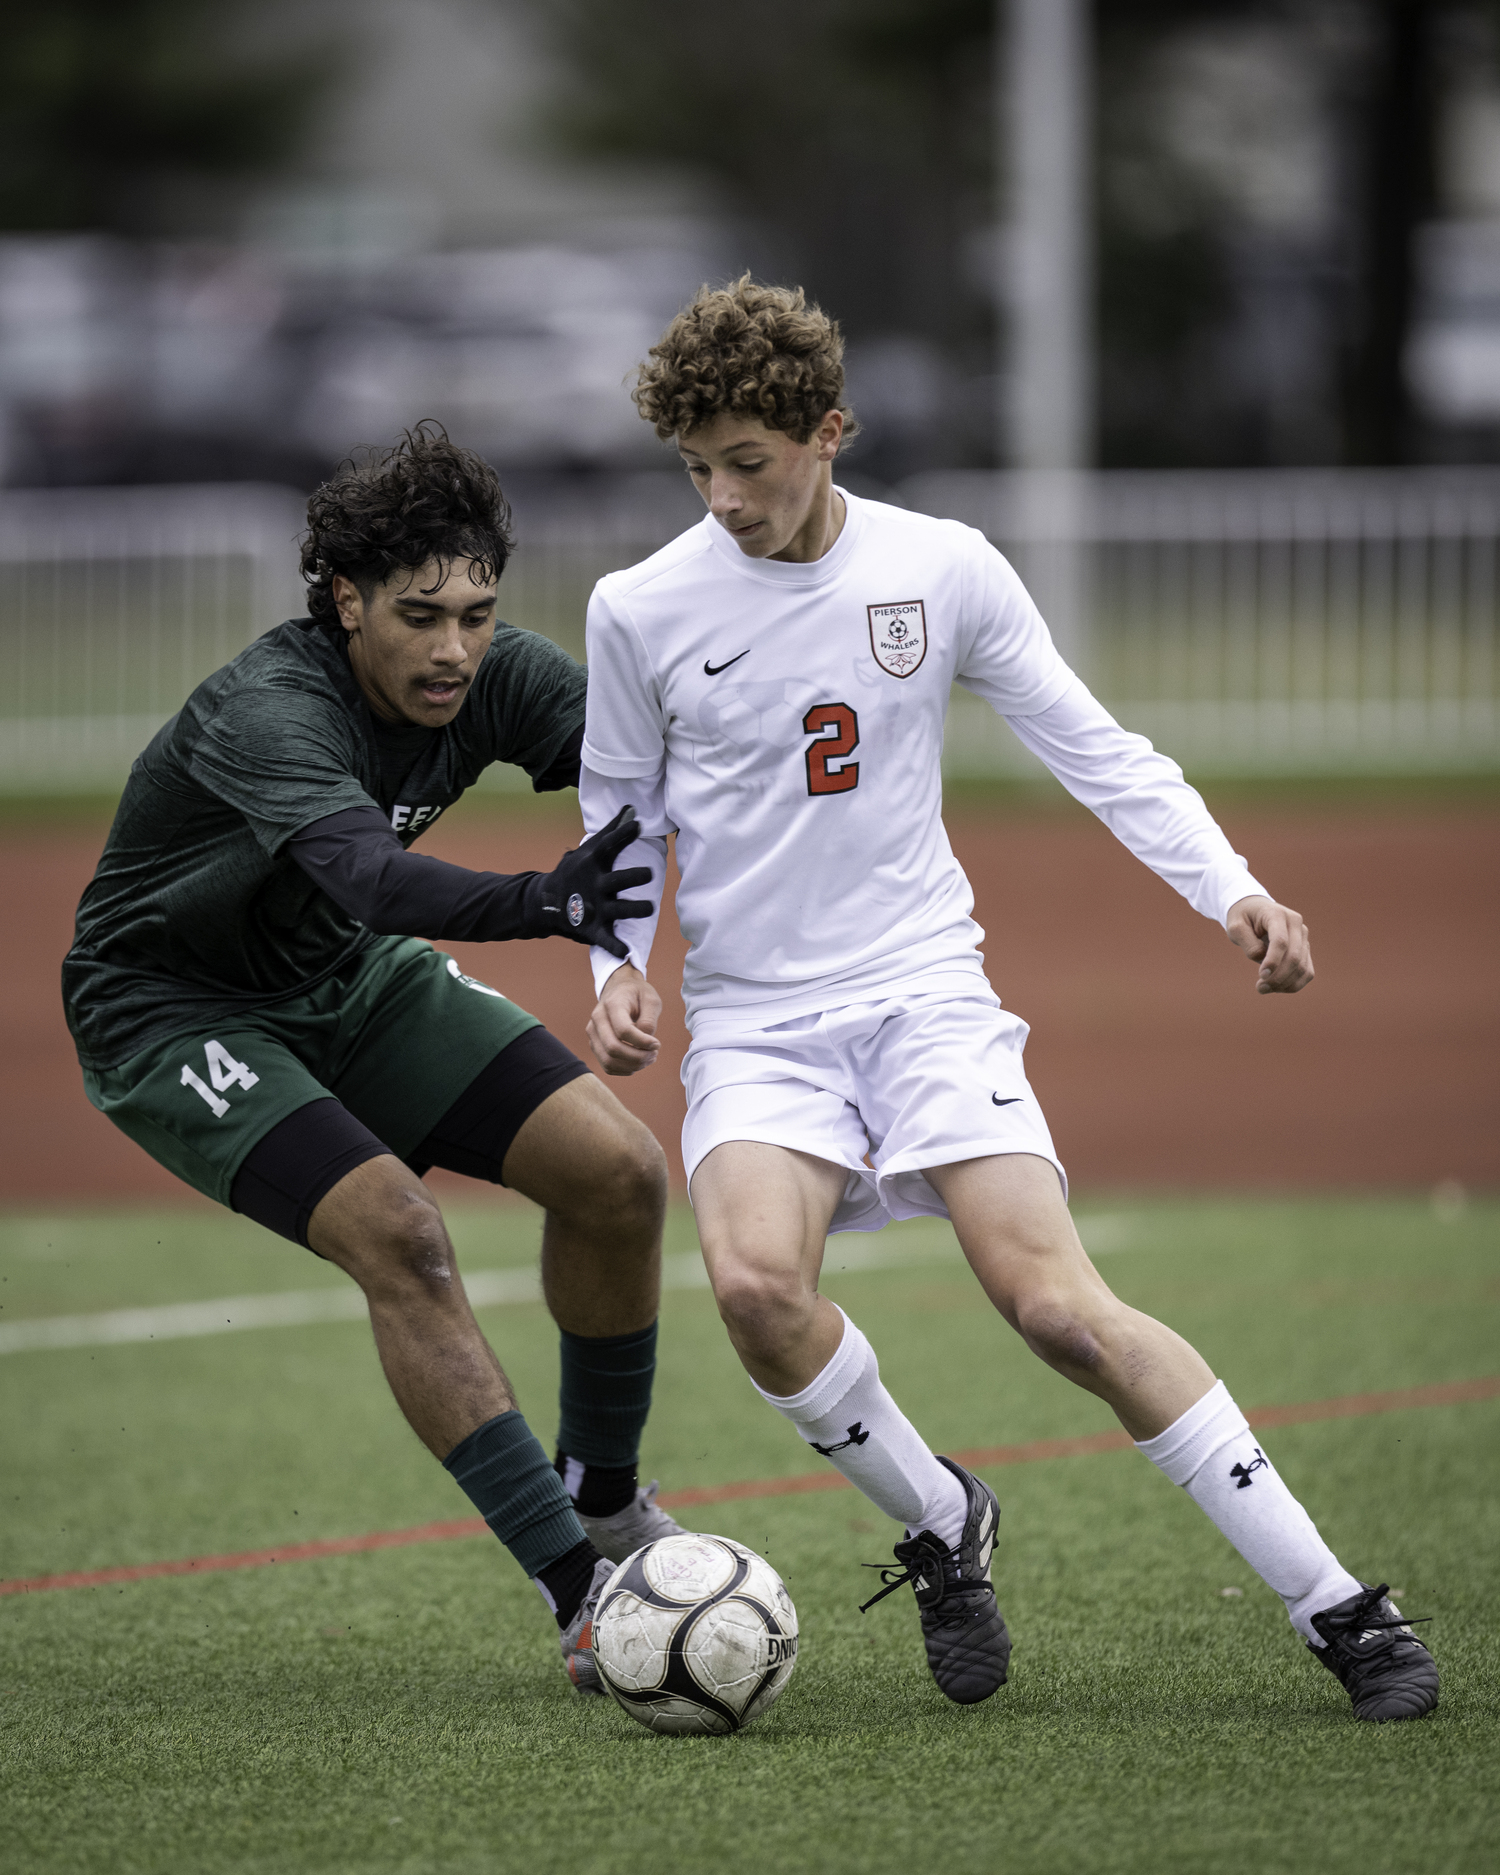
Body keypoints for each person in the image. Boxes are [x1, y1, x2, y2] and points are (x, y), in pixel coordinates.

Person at [577, 279, 1438, 1722]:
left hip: (923, 994)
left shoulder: (945, 567)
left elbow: (1092, 744)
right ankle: (941, 1518)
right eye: (697, 468)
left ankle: (1338, 1603)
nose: (722, 498)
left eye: (749, 462)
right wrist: (615, 968)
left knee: (1059, 1310)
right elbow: (617, 804)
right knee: (754, 1287)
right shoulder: (637, 607)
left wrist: (1228, 883)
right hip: (755, 1017)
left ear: (828, 430)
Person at [62, 425, 686, 1693]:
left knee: (619, 1173)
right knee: (401, 1233)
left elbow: (656, 777)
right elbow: (369, 874)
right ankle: (585, 1600)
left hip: (343, 975)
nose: (455, 648)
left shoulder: (496, 675)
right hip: (175, 1008)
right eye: (419, 616)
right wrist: (549, 907)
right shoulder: (271, 709)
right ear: (345, 602)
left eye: (478, 612)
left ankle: (609, 1503)